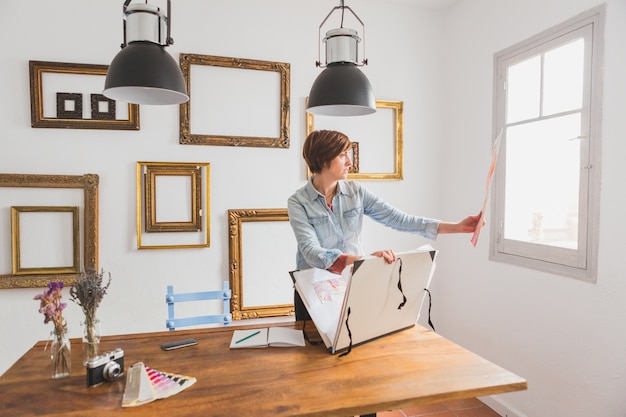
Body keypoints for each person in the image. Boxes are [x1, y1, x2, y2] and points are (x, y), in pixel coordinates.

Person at [288, 130, 482, 320]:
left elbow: (399, 219)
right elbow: (311, 251)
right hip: (312, 291)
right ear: (324, 159)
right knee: (312, 351)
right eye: (342, 155)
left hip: (350, 284)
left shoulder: (356, 192)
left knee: (354, 349)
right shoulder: (298, 202)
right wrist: (361, 260)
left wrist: (458, 227)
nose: (350, 162)